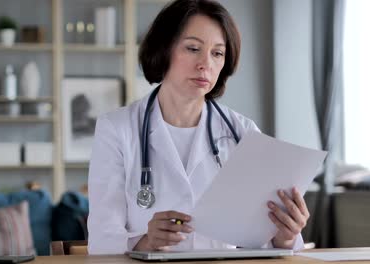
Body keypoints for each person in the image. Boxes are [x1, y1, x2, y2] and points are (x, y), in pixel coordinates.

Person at [87, 0, 310, 254]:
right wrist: (146, 241)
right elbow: (102, 239)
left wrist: (286, 235)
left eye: (217, 53)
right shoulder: (117, 130)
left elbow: (265, 242)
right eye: (193, 48)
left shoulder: (243, 132)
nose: (205, 63)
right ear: (163, 49)